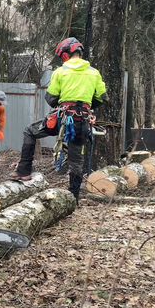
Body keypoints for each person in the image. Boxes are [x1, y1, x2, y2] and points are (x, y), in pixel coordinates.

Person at [11, 37, 107, 203]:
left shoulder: (61, 72)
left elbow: (51, 98)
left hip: (63, 118)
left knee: (30, 131)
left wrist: (65, 100)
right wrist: (86, 105)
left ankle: (24, 171)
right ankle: (73, 198)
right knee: (76, 161)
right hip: (82, 121)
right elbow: (102, 97)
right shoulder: (94, 73)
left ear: (65, 54)